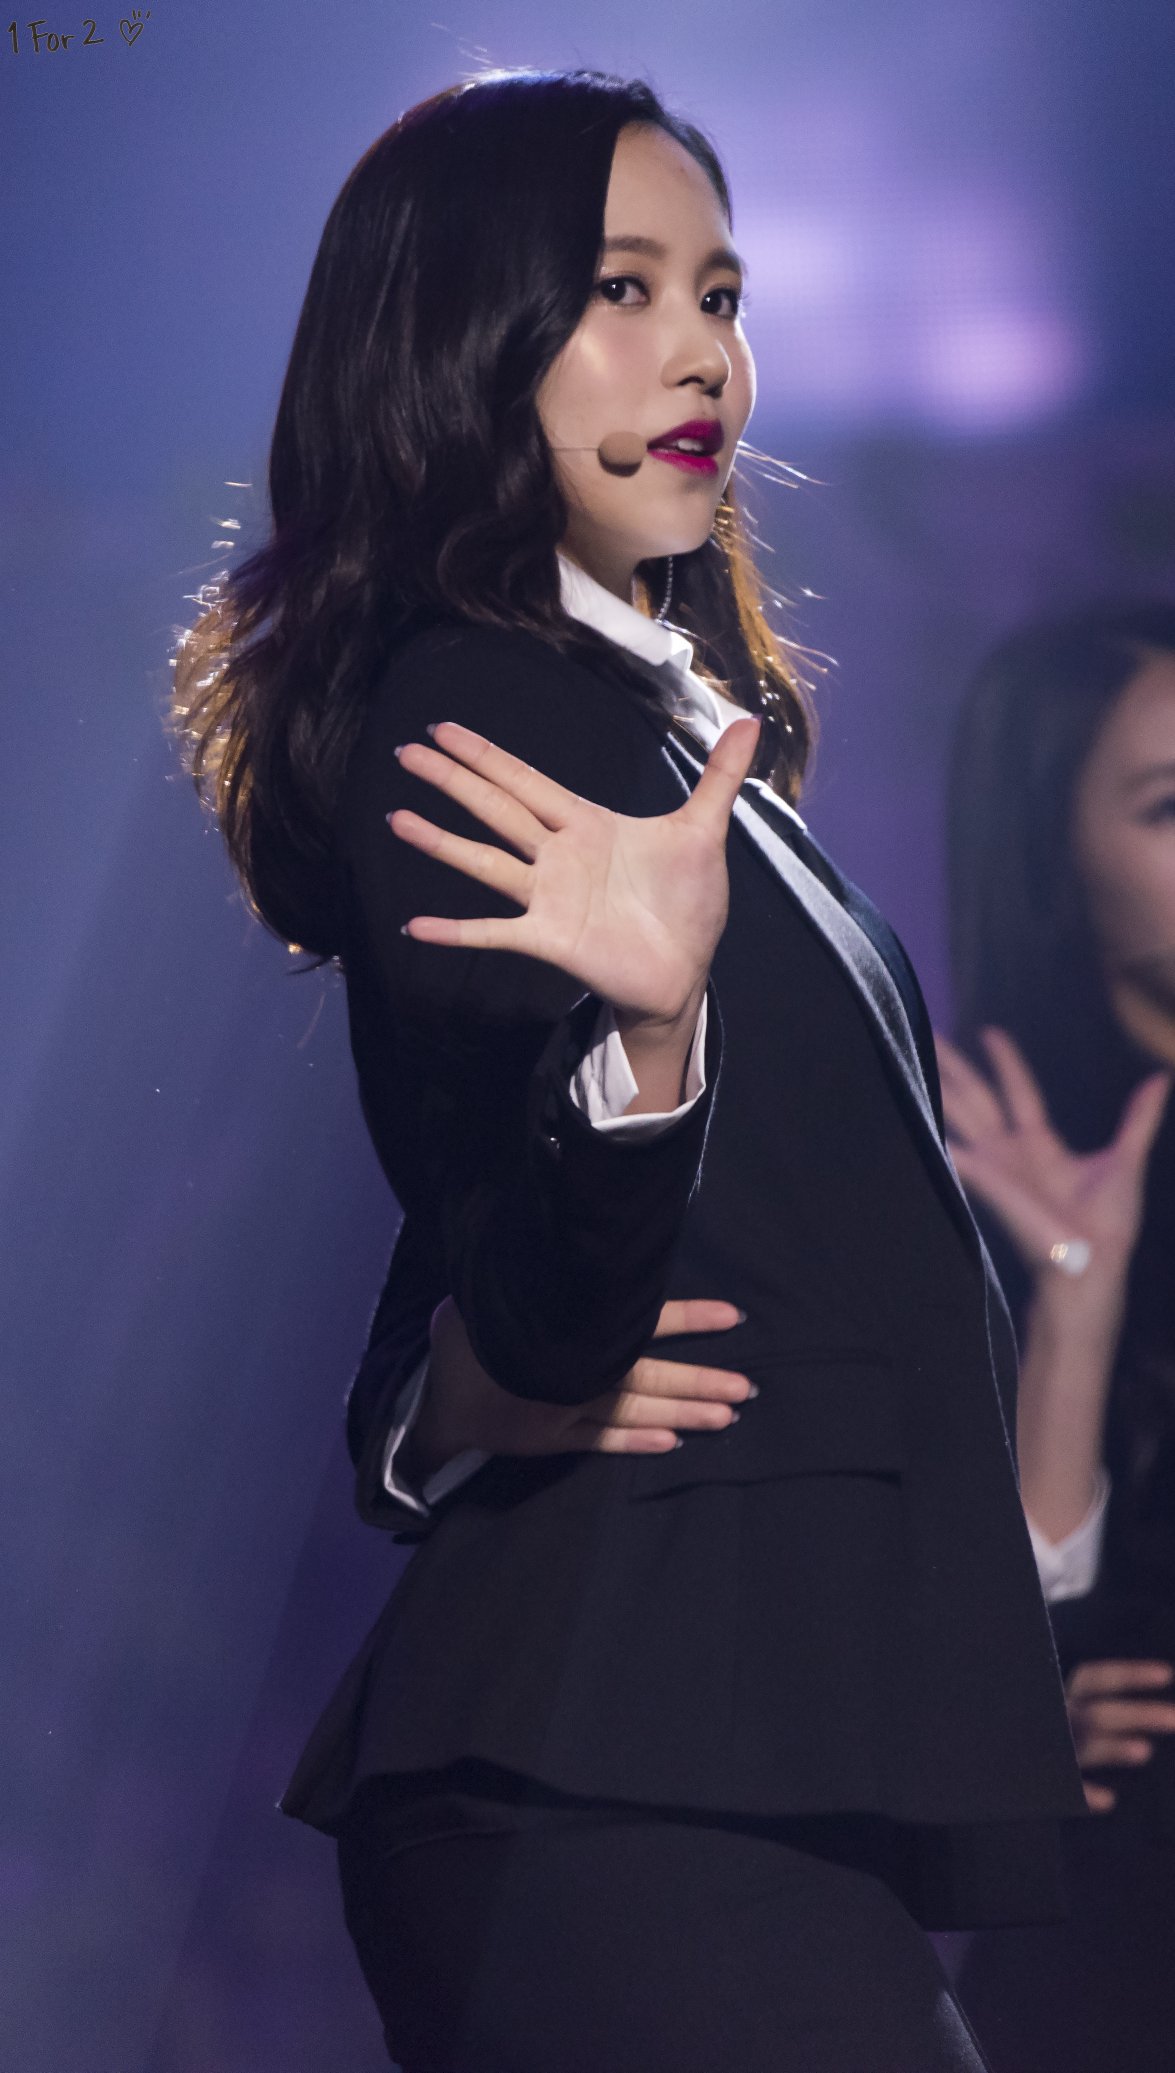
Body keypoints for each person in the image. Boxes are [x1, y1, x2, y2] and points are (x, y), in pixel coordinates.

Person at [171, 68, 1085, 2072]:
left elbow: (473, 1228)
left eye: (721, 294)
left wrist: (422, 1403)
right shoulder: (480, 706)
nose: (702, 352)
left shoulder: (646, 719)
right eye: (621, 287)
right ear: (457, 335)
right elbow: (543, 1270)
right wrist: (651, 1045)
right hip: (609, 1764)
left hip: (704, 1756)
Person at [936, 604, 1175, 2072]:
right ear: (1056, 859)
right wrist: (1079, 1297)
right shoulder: (995, 1172)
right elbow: (992, 1633)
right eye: (1170, 808)